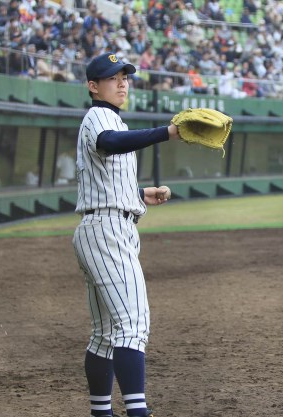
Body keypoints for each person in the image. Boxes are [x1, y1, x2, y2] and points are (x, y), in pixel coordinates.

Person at [72, 52, 181, 417]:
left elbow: (104, 174)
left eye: (125, 77)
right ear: (93, 86)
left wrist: (139, 195)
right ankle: (138, 412)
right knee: (132, 325)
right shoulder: (99, 116)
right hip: (107, 231)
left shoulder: (107, 118)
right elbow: (112, 142)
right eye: (112, 77)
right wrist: (166, 132)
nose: (121, 83)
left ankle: (101, 412)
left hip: (103, 226)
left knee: (106, 334)